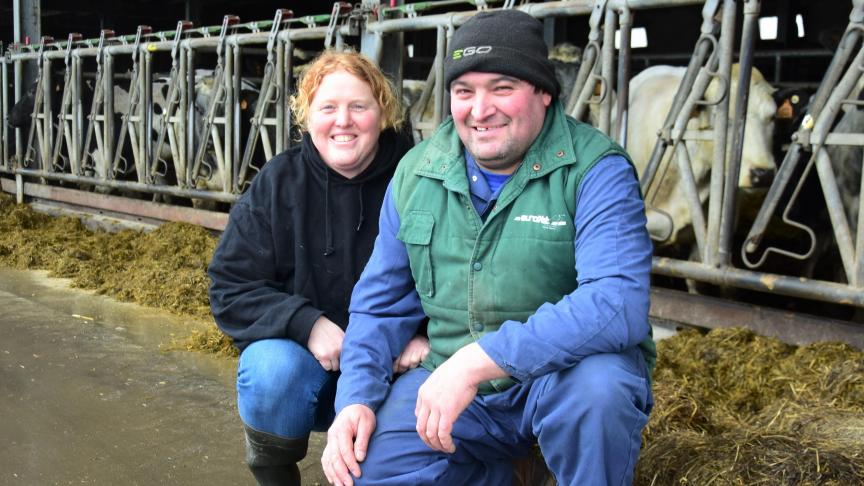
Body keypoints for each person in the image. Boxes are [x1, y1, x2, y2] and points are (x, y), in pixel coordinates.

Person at [322, 9, 656, 486]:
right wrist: (354, 398)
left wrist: (478, 362)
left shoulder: (595, 169)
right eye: (464, 92)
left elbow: (616, 303)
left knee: (600, 390)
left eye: (502, 88)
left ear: (543, 91)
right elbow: (378, 307)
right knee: (365, 469)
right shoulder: (419, 172)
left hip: (557, 379)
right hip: (450, 382)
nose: (480, 110)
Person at [208, 50, 429, 486]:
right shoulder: (279, 181)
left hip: (397, 361)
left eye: (358, 107)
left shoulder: (420, 178)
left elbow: (466, 274)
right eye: (328, 107)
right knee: (270, 369)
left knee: (426, 401)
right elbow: (229, 286)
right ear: (307, 116)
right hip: (312, 361)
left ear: (382, 112)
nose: (342, 121)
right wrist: (306, 323)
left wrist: (424, 335)